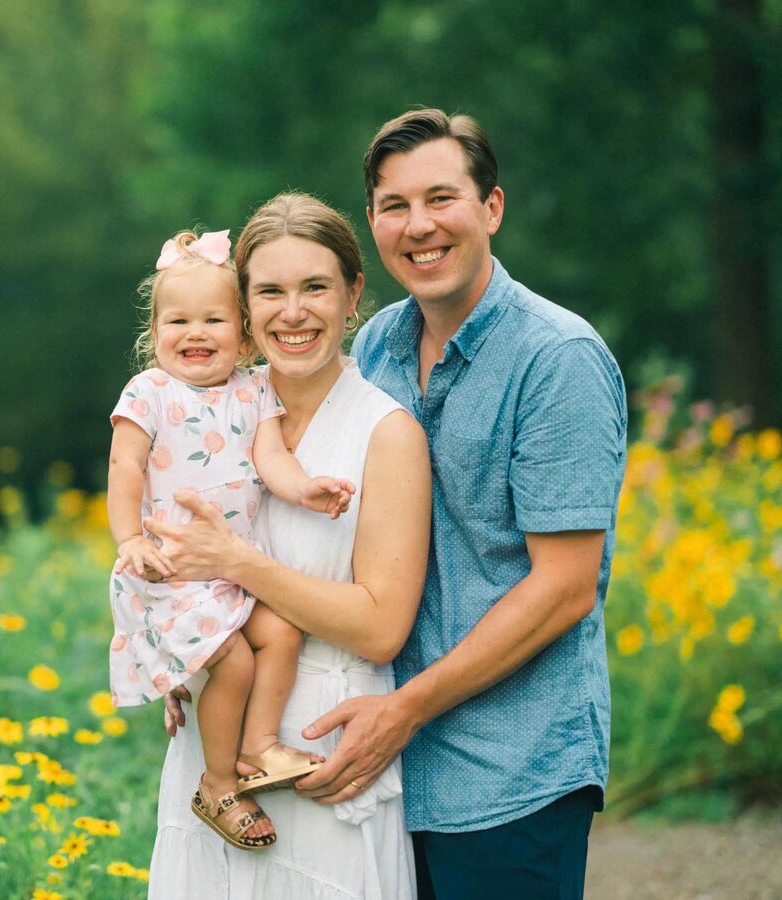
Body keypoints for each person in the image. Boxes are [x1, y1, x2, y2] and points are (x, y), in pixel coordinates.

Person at [298, 108, 627, 898]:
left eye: (441, 198)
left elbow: (563, 588)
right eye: (394, 206)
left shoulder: (557, 360)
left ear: (492, 208)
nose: (420, 227)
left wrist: (405, 710)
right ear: (372, 222)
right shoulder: (372, 345)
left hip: (513, 769)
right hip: (383, 773)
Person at [144, 194, 431, 898]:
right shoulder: (209, 408)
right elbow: (160, 552)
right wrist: (181, 651)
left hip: (323, 751)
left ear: (353, 293)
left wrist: (240, 565)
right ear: (242, 304)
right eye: (269, 290)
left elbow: (383, 626)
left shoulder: (385, 433)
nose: (292, 312)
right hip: (211, 751)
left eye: (316, 288)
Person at [107, 227, 357, 851]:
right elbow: (125, 470)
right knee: (236, 660)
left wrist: (304, 490)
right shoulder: (149, 394)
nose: (195, 333)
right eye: (177, 321)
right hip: (170, 572)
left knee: (282, 632)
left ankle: (258, 744)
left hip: (231, 574)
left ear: (244, 335)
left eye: (214, 320)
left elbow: (272, 460)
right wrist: (128, 539)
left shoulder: (253, 390)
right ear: (154, 332)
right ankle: (218, 784)